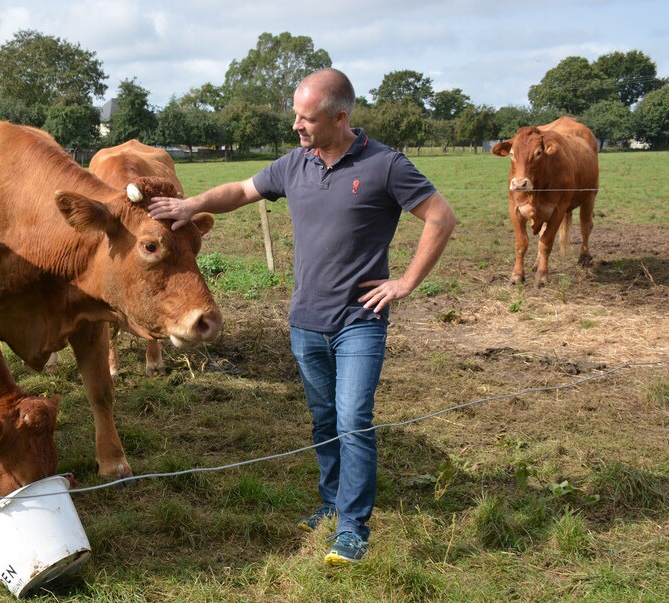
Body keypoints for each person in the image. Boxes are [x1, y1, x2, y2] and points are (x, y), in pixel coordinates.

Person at [147, 68, 456, 565]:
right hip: (306, 321)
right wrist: (191, 205)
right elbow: (241, 190)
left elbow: (441, 216)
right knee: (324, 419)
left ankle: (354, 527)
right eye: (296, 115)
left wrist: (406, 282)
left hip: (360, 321)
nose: (297, 125)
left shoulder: (386, 165)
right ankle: (331, 503)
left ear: (340, 116)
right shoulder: (295, 164)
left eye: (307, 118)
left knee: (354, 419)